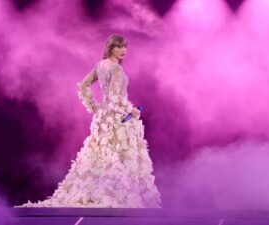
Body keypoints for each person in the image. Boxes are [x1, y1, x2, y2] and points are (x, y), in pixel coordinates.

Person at [16, 34, 162, 208]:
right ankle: (114, 194)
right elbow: (115, 97)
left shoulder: (100, 66)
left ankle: (97, 191)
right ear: (111, 48)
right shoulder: (116, 69)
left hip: (103, 119)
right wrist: (133, 110)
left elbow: (84, 86)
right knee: (117, 157)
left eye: (125, 47)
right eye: (119, 47)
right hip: (118, 120)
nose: (123, 50)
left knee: (100, 156)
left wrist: (96, 109)